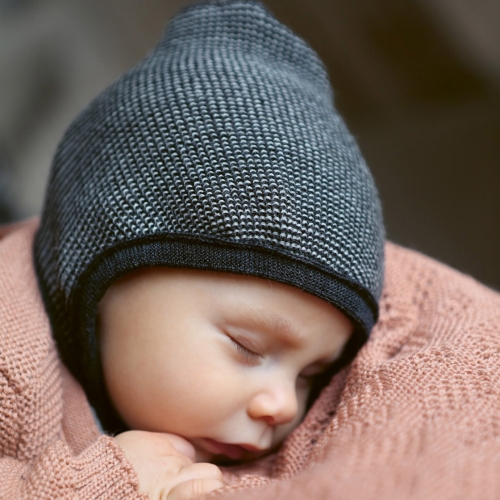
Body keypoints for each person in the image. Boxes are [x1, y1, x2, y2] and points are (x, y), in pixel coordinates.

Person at [2, 1, 499, 500]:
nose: (282, 406)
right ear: (97, 274)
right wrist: (96, 485)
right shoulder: (12, 354)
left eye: (311, 375)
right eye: (247, 347)